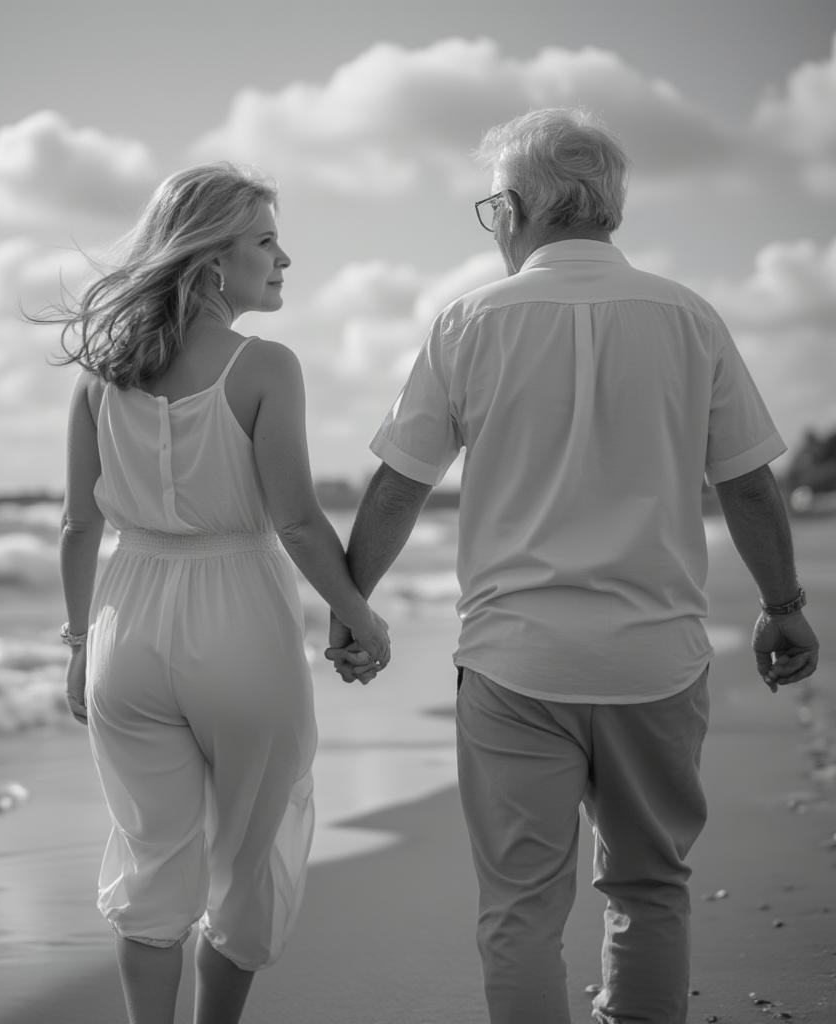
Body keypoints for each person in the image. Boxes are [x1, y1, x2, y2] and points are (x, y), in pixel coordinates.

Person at [325, 108, 819, 1023]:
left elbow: (401, 486)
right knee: (649, 886)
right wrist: (782, 604)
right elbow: (747, 484)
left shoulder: (468, 321)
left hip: (517, 661)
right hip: (655, 659)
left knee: (520, 907)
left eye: (489, 209)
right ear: (610, 211)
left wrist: (352, 605)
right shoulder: (689, 316)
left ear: (514, 208)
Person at [50, 163, 390, 1024]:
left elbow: (77, 528)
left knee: (150, 859)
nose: (286, 258)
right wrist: (363, 622)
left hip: (124, 628)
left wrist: (78, 643)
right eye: (266, 242)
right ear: (210, 265)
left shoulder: (99, 375)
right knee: (250, 857)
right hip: (238, 616)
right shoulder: (265, 366)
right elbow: (302, 523)